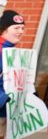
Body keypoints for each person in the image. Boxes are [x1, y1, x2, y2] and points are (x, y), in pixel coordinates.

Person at [0, 10, 26, 139]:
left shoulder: (14, 52)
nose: (21, 31)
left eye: (22, 28)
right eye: (16, 28)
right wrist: (5, 98)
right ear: (4, 29)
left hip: (9, 112)